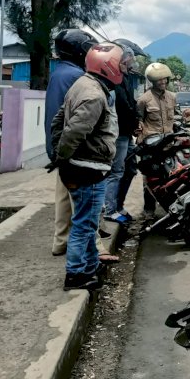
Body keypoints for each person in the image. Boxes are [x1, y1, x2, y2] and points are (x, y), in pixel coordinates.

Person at [49, 42, 124, 291]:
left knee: (88, 221)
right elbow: (74, 130)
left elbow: (59, 120)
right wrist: (63, 158)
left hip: (82, 165)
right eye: (120, 65)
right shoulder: (94, 94)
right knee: (84, 224)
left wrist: (60, 157)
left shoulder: (82, 84)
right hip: (88, 167)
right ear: (107, 67)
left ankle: (90, 265)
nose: (123, 69)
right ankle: (76, 273)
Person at [45, 29, 113, 260]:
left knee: (63, 198)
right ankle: (95, 248)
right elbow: (79, 122)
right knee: (84, 206)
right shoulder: (80, 78)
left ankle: (60, 241)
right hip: (75, 150)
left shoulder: (59, 73)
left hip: (60, 147)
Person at [105, 39, 146, 223]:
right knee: (116, 171)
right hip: (119, 133)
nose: (130, 62)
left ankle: (118, 205)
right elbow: (122, 107)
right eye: (128, 59)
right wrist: (133, 122)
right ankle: (110, 210)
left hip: (127, 132)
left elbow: (132, 103)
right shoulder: (112, 79)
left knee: (129, 169)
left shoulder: (126, 77)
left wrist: (137, 121)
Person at [136, 62, 178, 220]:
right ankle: (149, 210)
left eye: (165, 79)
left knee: (170, 177)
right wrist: (140, 140)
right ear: (152, 81)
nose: (163, 82)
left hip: (169, 146)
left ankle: (171, 209)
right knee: (150, 180)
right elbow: (138, 123)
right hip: (151, 147)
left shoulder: (172, 97)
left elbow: (176, 118)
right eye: (159, 80)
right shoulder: (143, 100)